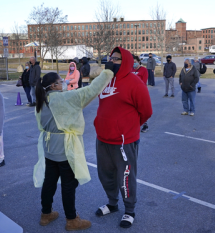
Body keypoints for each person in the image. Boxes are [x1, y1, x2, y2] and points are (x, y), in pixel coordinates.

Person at [34, 68, 114, 231]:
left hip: (49, 149)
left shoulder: (42, 99)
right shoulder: (64, 98)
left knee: (49, 182)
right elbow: (90, 90)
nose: (63, 83)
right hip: (65, 149)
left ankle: (45, 213)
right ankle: (71, 219)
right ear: (54, 85)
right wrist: (107, 73)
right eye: (60, 81)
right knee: (68, 185)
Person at [94, 47, 152, 228]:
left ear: (125, 61)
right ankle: (112, 204)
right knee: (105, 175)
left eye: (117, 59)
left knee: (125, 178)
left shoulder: (135, 83)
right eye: (111, 58)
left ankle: (129, 210)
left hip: (124, 141)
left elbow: (146, 111)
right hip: (102, 138)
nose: (112, 61)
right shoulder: (105, 79)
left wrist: (129, 128)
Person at [131, 55, 149, 133]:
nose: (133, 64)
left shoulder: (143, 70)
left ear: (139, 62)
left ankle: (145, 125)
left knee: (141, 109)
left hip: (140, 92)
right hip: (131, 92)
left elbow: (144, 82)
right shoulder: (130, 69)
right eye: (132, 62)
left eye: (135, 62)